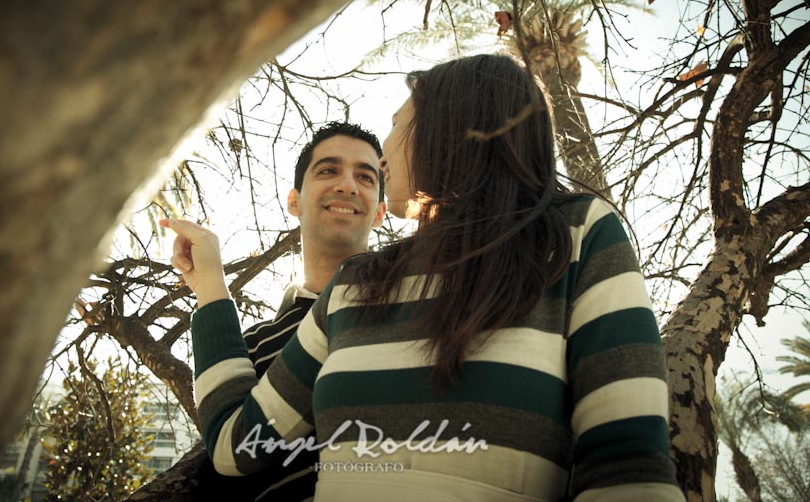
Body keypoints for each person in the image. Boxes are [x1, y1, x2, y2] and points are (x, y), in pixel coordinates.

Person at [164, 54, 684, 501]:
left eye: (396, 123)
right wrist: (210, 285)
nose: (383, 150)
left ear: (449, 126)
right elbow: (238, 445)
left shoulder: (576, 236)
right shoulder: (353, 286)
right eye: (328, 170)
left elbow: (627, 468)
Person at [161, 122, 386, 501]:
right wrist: (209, 287)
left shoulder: (416, 305)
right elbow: (230, 454)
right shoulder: (251, 343)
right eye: (328, 170)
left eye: (365, 176)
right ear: (294, 201)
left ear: (380, 212)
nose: (347, 185)